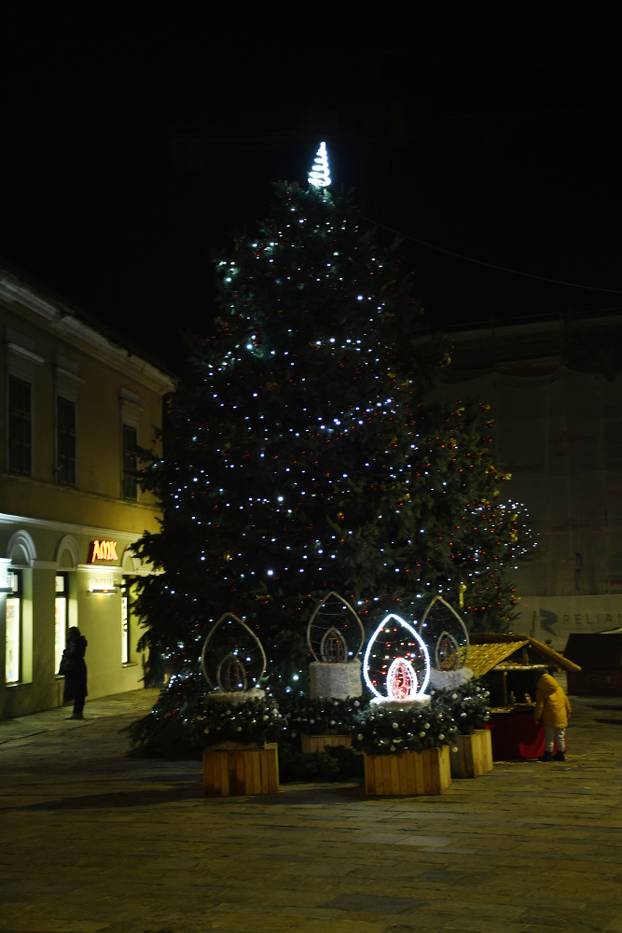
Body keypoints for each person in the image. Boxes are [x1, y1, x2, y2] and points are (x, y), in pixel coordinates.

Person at [534, 665, 571, 761]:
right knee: (560, 736)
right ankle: (561, 753)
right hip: (561, 716)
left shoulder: (541, 690)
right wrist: (569, 712)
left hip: (549, 717)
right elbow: (566, 702)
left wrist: (537, 717)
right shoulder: (559, 688)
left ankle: (548, 754)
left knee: (549, 737)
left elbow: (540, 706)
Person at [59, 626, 88, 719]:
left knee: (77, 691)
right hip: (79, 667)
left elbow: (73, 652)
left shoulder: (74, 641)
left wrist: (65, 652)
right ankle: (78, 712)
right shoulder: (80, 641)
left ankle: (77, 713)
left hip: (74, 668)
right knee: (79, 691)